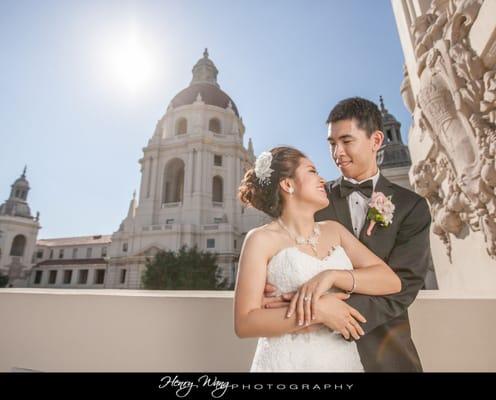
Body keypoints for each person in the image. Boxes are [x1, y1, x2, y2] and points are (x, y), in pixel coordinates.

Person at [264, 97, 433, 372]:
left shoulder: (411, 206)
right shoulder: (311, 199)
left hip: (388, 356)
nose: (337, 153)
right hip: (314, 358)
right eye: (332, 144)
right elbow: (279, 261)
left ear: (376, 140)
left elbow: (404, 283)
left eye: (346, 141)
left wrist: (331, 314)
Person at [234, 146, 401, 372]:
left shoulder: (335, 230)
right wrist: (320, 311)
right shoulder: (260, 239)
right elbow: (245, 323)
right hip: (286, 363)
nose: (322, 179)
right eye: (312, 171)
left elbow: (391, 281)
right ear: (287, 184)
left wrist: (331, 276)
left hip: (342, 361)